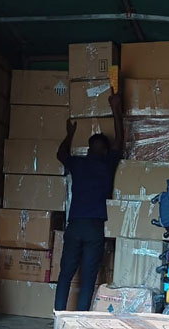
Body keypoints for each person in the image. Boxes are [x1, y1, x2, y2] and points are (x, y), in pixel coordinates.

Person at [54, 87, 123, 311]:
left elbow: (60, 154)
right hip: (95, 227)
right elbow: (120, 141)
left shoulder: (78, 164)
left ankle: (59, 315)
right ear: (104, 151)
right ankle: (81, 318)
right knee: (88, 278)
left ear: (88, 150)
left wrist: (69, 134)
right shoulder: (107, 164)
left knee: (65, 274)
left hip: (75, 225)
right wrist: (116, 109)